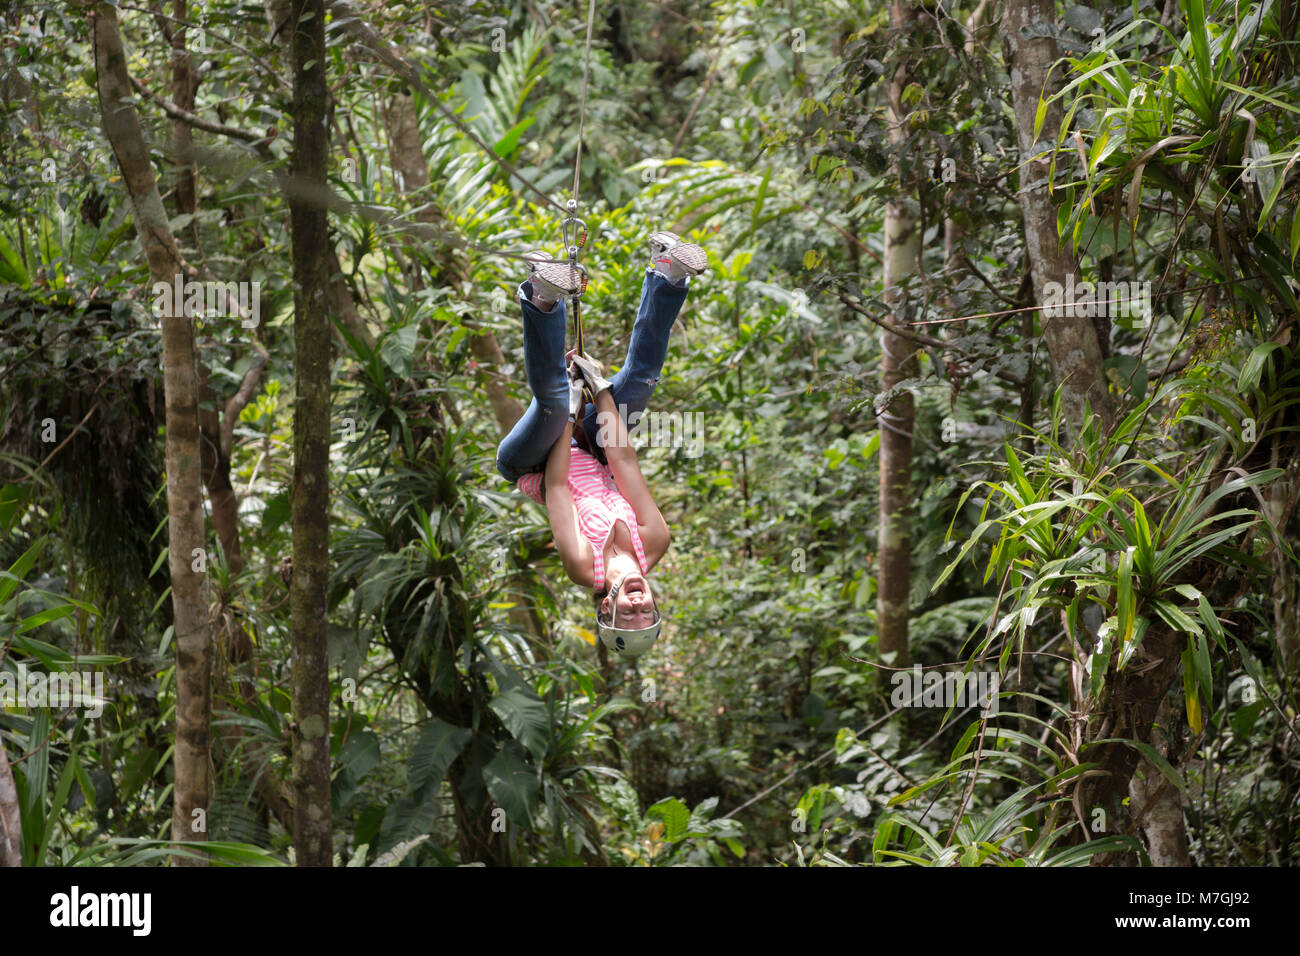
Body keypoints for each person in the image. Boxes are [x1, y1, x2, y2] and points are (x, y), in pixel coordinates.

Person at [495, 232, 707, 656]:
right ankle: (667, 274)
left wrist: (572, 409)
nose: (637, 604)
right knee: (641, 379)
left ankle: (543, 296)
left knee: (553, 403)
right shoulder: (655, 542)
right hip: (595, 452)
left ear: (606, 606)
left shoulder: (582, 567)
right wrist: (599, 387)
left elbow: (556, 488)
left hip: (534, 462)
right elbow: (623, 461)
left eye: (627, 614)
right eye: (646, 611)